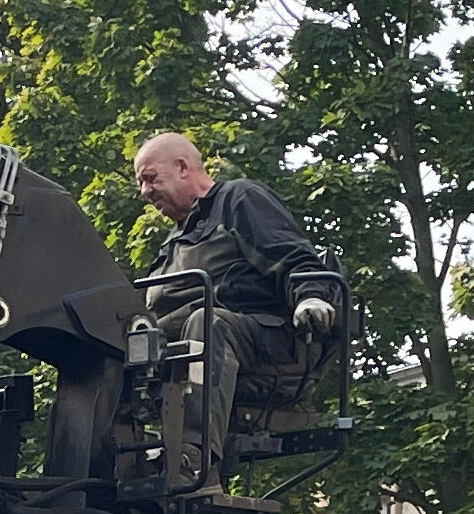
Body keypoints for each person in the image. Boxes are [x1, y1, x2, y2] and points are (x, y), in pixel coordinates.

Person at [129, 133, 345, 475]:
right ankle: (117, 460)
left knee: (208, 322)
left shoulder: (237, 200)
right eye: (141, 182)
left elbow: (292, 255)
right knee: (116, 346)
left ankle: (193, 462)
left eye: (150, 178)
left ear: (183, 167)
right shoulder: (173, 241)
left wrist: (310, 296)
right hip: (190, 350)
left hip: (268, 345)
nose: (144, 191)